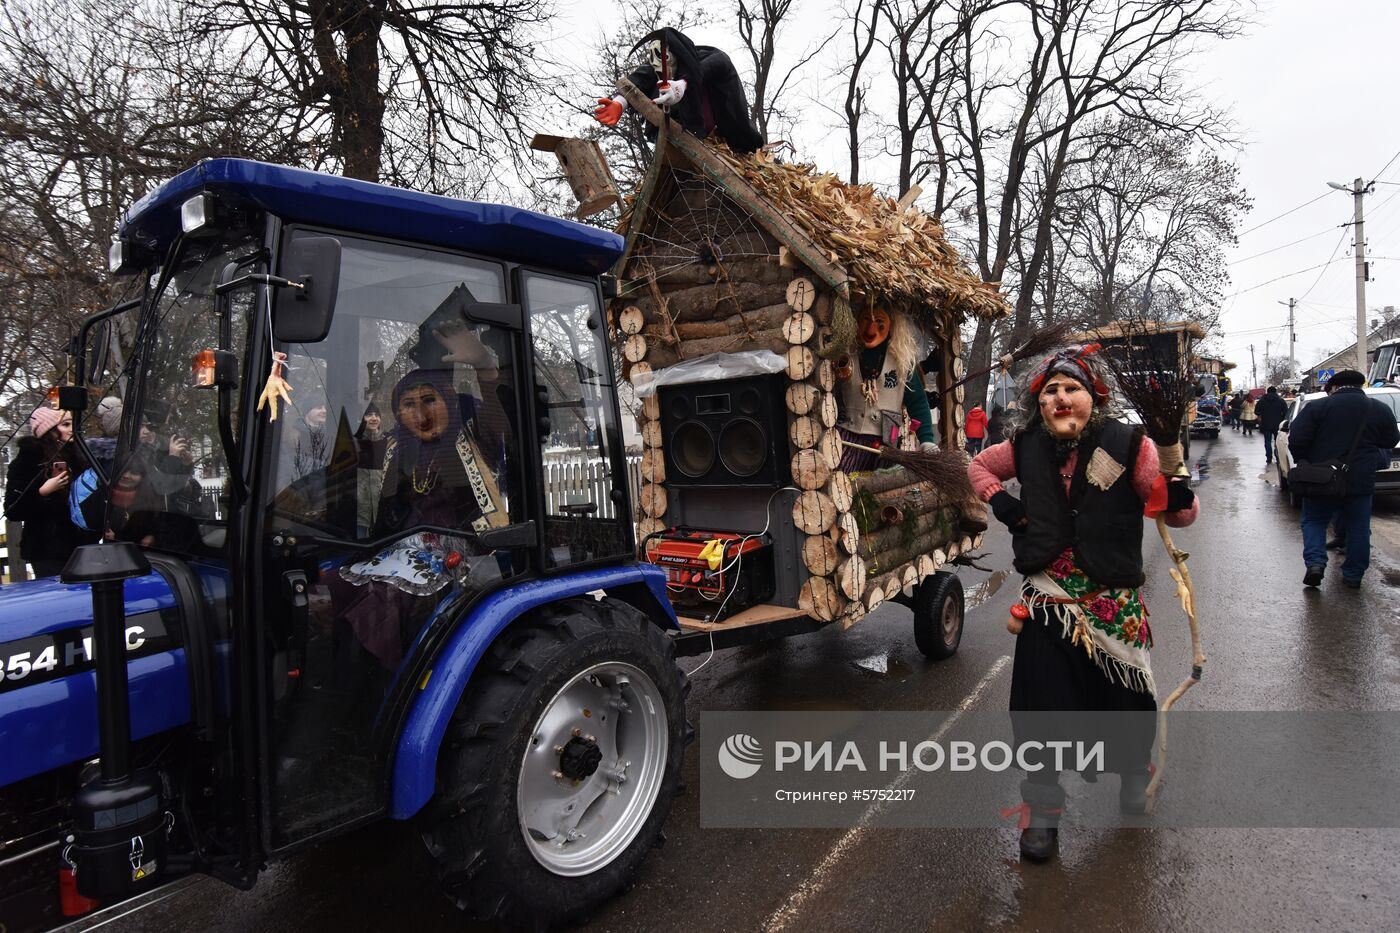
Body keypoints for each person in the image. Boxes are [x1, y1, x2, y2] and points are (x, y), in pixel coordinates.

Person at [968, 345, 1198, 862]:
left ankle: (1133, 782)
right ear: (1040, 403)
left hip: (1113, 600)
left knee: (1125, 704)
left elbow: (1175, 514)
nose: (1061, 398)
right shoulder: (1023, 445)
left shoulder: (1130, 444)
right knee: (1039, 705)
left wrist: (1179, 495)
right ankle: (1043, 815)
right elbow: (977, 467)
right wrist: (1001, 501)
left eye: (1071, 389)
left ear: (1093, 397)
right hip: (1047, 598)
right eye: (1051, 391)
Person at [1287, 369, 1400, 589]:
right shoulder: (1378, 409)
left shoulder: (1317, 408)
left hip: (1321, 477)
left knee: (1314, 521)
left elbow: (1297, 440)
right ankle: (1354, 575)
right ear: (1361, 386)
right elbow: (1391, 439)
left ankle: (1316, 564)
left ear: (1335, 387)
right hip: (1360, 479)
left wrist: (1306, 461)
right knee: (1358, 526)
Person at [592, 27, 764, 154]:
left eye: (665, 58)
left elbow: (719, 64)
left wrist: (684, 83)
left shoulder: (708, 57)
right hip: (680, 134)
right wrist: (619, 102)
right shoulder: (655, 70)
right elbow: (639, 79)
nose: (660, 68)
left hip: (724, 132)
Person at [4, 407, 98, 577]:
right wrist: (42, 491)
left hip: (82, 544)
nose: (72, 428)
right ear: (49, 431)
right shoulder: (28, 460)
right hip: (47, 548)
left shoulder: (80, 454)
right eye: (65, 424)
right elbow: (13, 509)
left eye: (73, 423)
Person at [1255, 386, 1288, 466]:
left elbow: (1256, 412)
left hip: (1266, 424)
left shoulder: (1262, 401)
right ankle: (1278, 457)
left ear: (1267, 391)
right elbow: (1286, 412)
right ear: (1275, 391)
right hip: (1278, 425)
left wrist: (1262, 415)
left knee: (1267, 441)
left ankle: (1269, 458)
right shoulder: (1281, 400)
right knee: (1278, 442)